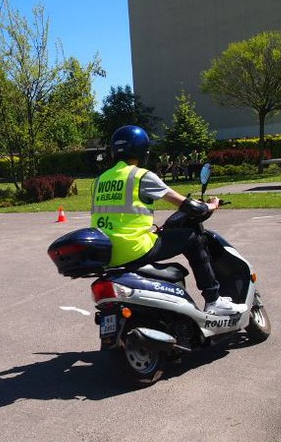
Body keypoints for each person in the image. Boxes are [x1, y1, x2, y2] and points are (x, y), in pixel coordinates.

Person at [90, 125, 247, 316]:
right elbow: (191, 207)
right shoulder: (141, 176)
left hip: (107, 252)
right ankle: (214, 299)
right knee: (193, 237)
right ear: (142, 151)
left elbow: (116, 216)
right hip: (134, 248)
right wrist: (212, 205)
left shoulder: (99, 180)